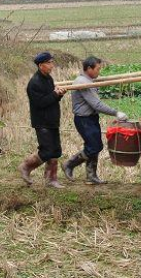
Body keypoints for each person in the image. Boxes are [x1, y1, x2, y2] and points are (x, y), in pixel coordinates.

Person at [62, 56, 128, 184]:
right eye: (97, 69)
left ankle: (91, 176)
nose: (99, 72)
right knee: (94, 147)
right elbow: (96, 104)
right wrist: (116, 112)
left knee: (94, 146)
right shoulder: (83, 82)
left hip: (91, 118)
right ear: (88, 69)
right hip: (84, 119)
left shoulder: (89, 80)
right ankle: (69, 164)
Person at [20, 52, 66, 188]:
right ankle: (26, 166)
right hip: (42, 122)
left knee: (56, 150)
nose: (52, 66)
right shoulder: (34, 83)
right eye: (49, 63)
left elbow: (51, 99)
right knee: (46, 150)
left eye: (52, 62)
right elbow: (40, 103)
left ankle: (51, 179)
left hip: (52, 119)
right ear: (41, 65)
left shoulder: (49, 79)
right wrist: (54, 94)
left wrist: (59, 95)